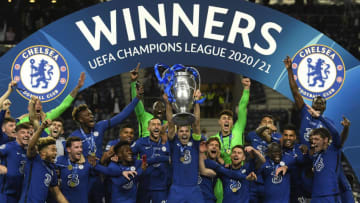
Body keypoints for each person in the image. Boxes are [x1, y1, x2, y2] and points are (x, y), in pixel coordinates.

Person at [284, 56, 354, 202]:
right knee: (298, 180)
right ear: (312, 104)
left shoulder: (329, 122)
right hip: (306, 155)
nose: (318, 106)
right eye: (316, 104)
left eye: (321, 105)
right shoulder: (305, 113)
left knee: (342, 181)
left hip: (322, 158)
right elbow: (295, 92)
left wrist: (345, 129)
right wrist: (290, 70)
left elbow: (337, 140)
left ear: (325, 108)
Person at [70, 86, 143, 203]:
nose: (92, 116)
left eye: (91, 114)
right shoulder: (74, 136)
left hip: (98, 175)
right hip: (84, 177)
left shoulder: (100, 126)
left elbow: (121, 116)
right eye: (87, 115)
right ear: (80, 119)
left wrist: (137, 98)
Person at [211, 77, 250, 203]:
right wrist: (219, 160)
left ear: (233, 122)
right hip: (222, 177)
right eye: (224, 118)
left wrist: (246, 89)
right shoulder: (214, 139)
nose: (227, 120)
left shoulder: (238, 130)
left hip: (240, 173)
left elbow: (243, 108)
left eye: (229, 118)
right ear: (219, 122)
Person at [165, 90, 204, 203]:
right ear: (178, 134)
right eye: (181, 131)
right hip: (177, 189)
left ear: (190, 133)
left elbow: (196, 124)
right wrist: (168, 104)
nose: (184, 133)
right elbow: (171, 124)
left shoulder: (195, 142)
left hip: (193, 189)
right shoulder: (173, 142)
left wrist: (196, 102)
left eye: (187, 131)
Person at [17, 72, 85, 133]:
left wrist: (78, 87)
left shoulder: (49, 116)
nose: (38, 106)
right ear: (29, 108)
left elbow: (65, 104)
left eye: (40, 104)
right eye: (34, 104)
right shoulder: (23, 121)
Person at [19, 119, 68, 203]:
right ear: (43, 152)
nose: (55, 153)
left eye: (56, 150)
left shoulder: (52, 170)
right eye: (53, 150)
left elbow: (57, 194)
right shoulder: (34, 159)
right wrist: (42, 128)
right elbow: (31, 146)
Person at [131, 117, 170, 203]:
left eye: (159, 125)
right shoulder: (140, 142)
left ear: (161, 128)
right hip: (144, 187)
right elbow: (129, 157)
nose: (156, 127)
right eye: (153, 124)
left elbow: (174, 160)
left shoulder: (168, 143)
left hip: (162, 189)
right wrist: (140, 163)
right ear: (148, 128)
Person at [130, 63, 167, 138]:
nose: (159, 109)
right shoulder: (144, 116)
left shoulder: (168, 124)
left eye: (162, 107)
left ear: (165, 111)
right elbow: (136, 102)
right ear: (153, 110)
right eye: (157, 106)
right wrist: (133, 82)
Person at [0, 123, 31, 203]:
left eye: (29, 133)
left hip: (20, 196)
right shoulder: (9, 147)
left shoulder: (29, 152)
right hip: (5, 195)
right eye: (23, 132)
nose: (26, 135)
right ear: (16, 135)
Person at [55, 136, 93, 203]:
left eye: (81, 147)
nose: (80, 150)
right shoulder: (60, 161)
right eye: (76, 147)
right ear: (68, 149)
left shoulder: (87, 163)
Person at [280, 124, 308, 202]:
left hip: (298, 191)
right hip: (281, 191)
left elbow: (303, 163)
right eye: (286, 135)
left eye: (291, 135)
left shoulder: (300, 149)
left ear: (295, 137)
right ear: (282, 136)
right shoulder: (277, 150)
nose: (288, 138)